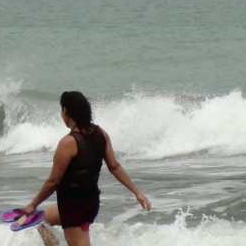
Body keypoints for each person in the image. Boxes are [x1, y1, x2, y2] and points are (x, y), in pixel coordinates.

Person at [20, 91, 150, 246]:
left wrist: (33, 204)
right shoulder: (101, 133)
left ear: (66, 111)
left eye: (62, 110)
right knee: (41, 220)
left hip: (73, 207)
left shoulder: (68, 142)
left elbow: (54, 181)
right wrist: (137, 193)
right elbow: (114, 166)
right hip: (90, 202)